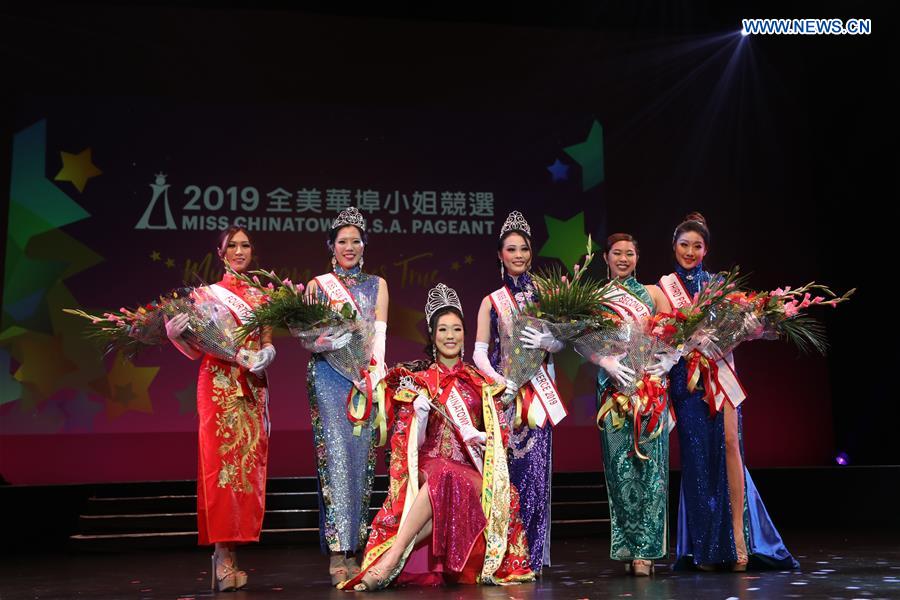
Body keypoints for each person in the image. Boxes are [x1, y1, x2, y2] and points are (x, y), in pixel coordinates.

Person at [342, 283, 534, 591]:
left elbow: (500, 440)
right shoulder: (418, 382)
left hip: (471, 471)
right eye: (443, 329)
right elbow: (408, 447)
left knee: (450, 476)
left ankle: (390, 558)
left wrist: (481, 436)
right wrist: (419, 416)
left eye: (456, 329)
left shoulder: (481, 383)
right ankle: (392, 560)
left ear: (464, 335)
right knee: (443, 476)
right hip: (430, 465)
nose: (450, 336)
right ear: (432, 335)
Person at [661, 212, 798, 571]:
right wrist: (685, 342)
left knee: (730, 449)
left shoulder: (720, 286)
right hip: (687, 382)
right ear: (674, 246)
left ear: (706, 250)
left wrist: (753, 325)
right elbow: (659, 336)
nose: (690, 251)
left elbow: (745, 327)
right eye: (684, 244)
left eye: (697, 246)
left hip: (721, 377)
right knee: (697, 460)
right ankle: (706, 550)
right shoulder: (664, 288)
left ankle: (737, 542)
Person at [165, 225, 276, 592]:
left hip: (251, 385)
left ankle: (231, 553)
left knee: (245, 471)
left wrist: (267, 354)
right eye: (232, 246)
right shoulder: (204, 296)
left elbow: (267, 342)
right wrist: (175, 337)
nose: (239, 251)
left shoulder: (263, 295)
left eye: (245, 245)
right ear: (220, 252)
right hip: (216, 386)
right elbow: (195, 350)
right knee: (219, 470)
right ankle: (223, 556)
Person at [303, 207, 389, 585]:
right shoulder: (317, 286)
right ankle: (339, 551)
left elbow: (380, 336)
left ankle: (357, 547)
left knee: (361, 461)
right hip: (328, 377)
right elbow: (308, 338)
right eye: (342, 241)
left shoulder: (378, 285)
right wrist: (323, 341)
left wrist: (375, 374)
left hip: (363, 381)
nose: (349, 247)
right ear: (331, 246)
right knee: (335, 460)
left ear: (364, 245)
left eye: (356, 241)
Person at [473, 210, 562, 574]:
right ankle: (505, 554)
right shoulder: (491, 301)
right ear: (500, 254)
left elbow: (561, 340)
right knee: (505, 475)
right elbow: (479, 352)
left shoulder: (548, 294)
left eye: (524, 248)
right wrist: (500, 380)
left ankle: (533, 556)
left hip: (538, 397)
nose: (519, 255)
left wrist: (551, 342)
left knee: (537, 473)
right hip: (505, 398)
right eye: (511, 249)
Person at [591, 232, 673, 576]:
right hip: (612, 393)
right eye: (617, 253)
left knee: (652, 469)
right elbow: (584, 338)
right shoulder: (595, 296)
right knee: (619, 469)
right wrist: (603, 360)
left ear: (637, 258)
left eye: (629, 253)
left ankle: (647, 552)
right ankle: (627, 545)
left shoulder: (653, 293)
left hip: (650, 390)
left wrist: (669, 359)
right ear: (606, 257)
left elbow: (675, 332)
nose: (623, 259)